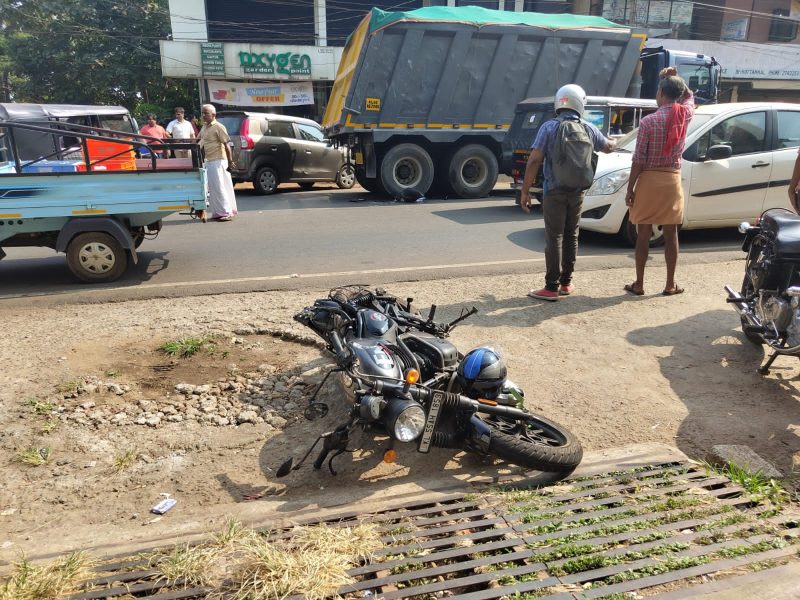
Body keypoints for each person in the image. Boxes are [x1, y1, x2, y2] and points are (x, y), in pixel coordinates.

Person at [520, 84, 615, 301]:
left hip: (554, 191)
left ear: (559, 102)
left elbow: (535, 159)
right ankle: (566, 283)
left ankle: (551, 287)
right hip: (578, 191)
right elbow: (607, 146)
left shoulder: (549, 127)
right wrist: (615, 142)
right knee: (572, 235)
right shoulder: (589, 128)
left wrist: (525, 191)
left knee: (554, 237)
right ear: (580, 104)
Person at [624, 67, 694, 297]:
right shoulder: (684, 115)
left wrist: (630, 188)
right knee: (671, 234)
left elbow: (638, 160)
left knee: (643, 233)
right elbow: (688, 97)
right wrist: (676, 78)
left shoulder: (648, 122)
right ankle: (670, 284)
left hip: (649, 180)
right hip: (672, 179)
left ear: (662, 93)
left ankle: (640, 283)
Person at [197, 104, 238, 222]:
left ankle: (225, 212)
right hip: (209, 160)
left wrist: (230, 161)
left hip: (219, 160)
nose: (203, 115)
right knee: (214, 188)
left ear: (213, 115)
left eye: (206, 113)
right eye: (203, 113)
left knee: (220, 187)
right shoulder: (204, 127)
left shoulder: (219, 127)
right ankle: (218, 212)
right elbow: (198, 141)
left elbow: (227, 144)